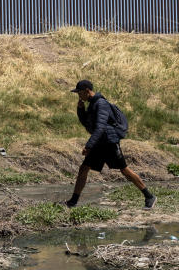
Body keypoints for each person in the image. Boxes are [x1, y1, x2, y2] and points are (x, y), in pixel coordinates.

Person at [65, 80, 155, 209]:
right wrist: (80, 110)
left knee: (124, 170)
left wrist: (89, 145)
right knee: (83, 168)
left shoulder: (101, 104)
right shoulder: (92, 104)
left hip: (109, 142)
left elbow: (100, 128)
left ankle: (149, 196)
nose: (78, 95)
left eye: (79, 93)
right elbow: (88, 124)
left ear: (86, 91)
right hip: (99, 142)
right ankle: (73, 202)